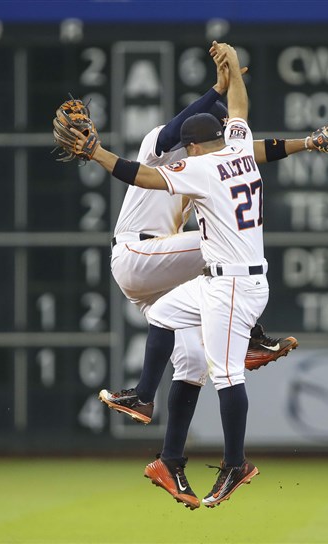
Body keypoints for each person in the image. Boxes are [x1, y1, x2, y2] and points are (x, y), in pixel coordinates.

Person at [72, 41, 272, 509]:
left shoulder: (201, 166)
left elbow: (144, 176)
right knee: (178, 296)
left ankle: (203, 461)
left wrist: (98, 154)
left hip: (219, 280)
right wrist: (229, 78)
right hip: (177, 265)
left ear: (195, 145)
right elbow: (236, 110)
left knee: (209, 369)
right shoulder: (234, 148)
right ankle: (156, 396)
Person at [98, 46, 324, 426]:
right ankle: (251, 339)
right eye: (217, 137)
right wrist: (217, 90)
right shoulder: (160, 147)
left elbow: (251, 152)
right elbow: (173, 131)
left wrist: (308, 143)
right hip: (137, 254)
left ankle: (164, 449)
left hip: (162, 271)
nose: (225, 146)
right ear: (197, 141)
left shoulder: (210, 164)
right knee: (223, 245)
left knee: (193, 363)